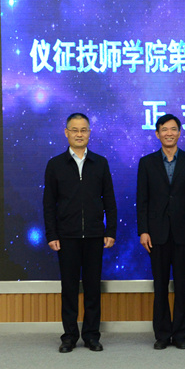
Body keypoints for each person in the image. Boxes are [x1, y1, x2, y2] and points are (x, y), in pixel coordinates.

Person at [43, 113, 117, 353]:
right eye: (74, 130)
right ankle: (69, 336)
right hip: (67, 236)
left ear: (89, 133)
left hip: (95, 235)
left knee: (93, 288)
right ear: (66, 133)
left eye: (83, 130)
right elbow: (48, 203)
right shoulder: (55, 164)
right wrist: (52, 234)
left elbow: (109, 200)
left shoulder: (100, 163)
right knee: (69, 289)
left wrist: (110, 230)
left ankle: (92, 335)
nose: (79, 134)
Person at [137, 114, 185, 350]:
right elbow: (142, 200)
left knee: (181, 286)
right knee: (160, 286)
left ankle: (180, 334)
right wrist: (143, 231)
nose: (169, 133)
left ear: (179, 132)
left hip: (184, 232)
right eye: (164, 129)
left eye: (173, 129)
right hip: (156, 234)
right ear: (157, 134)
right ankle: (162, 334)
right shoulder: (146, 163)